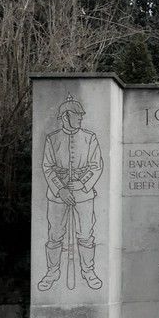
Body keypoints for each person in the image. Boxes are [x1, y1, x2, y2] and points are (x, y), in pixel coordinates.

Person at [38, 95, 103, 290]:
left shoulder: (90, 137)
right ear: (66, 116)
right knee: (55, 235)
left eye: (81, 115)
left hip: (84, 195)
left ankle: (88, 271)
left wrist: (83, 184)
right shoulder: (52, 138)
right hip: (58, 196)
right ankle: (52, 271)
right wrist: (60, 189)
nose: (81, 118)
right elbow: (47, 167)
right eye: (77, 115)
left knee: (85, 234)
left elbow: (97, 166)